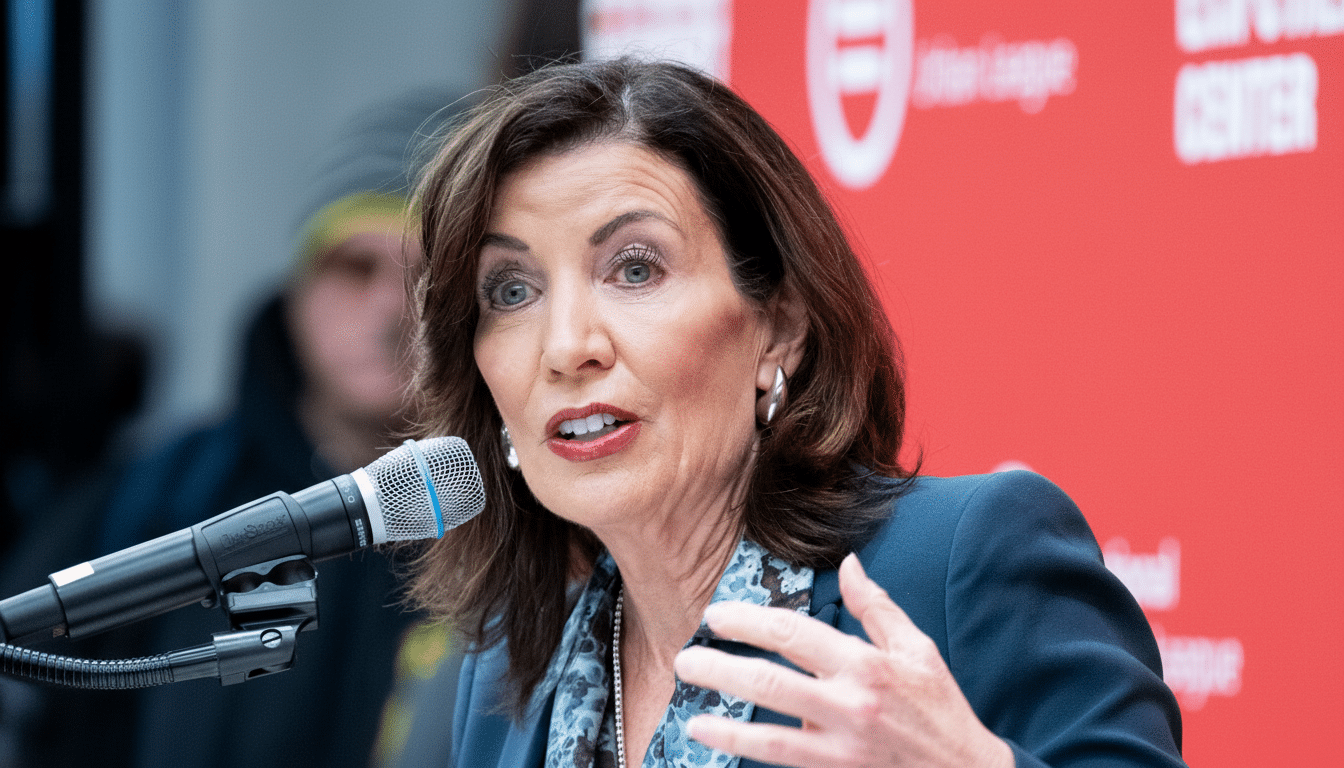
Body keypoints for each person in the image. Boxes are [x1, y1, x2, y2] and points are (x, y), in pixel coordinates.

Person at [399, 58, 1187, 768]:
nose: (567, 347)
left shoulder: (962, 561)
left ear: (779, 326)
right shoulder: (506, 671)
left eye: (635, 269)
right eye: (512, 291)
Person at [0, 89, 460, 768]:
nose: (388, 309)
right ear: (299, 287)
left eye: (427, 278)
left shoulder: (524, 531)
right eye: (354, 267)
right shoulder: (154, 502)